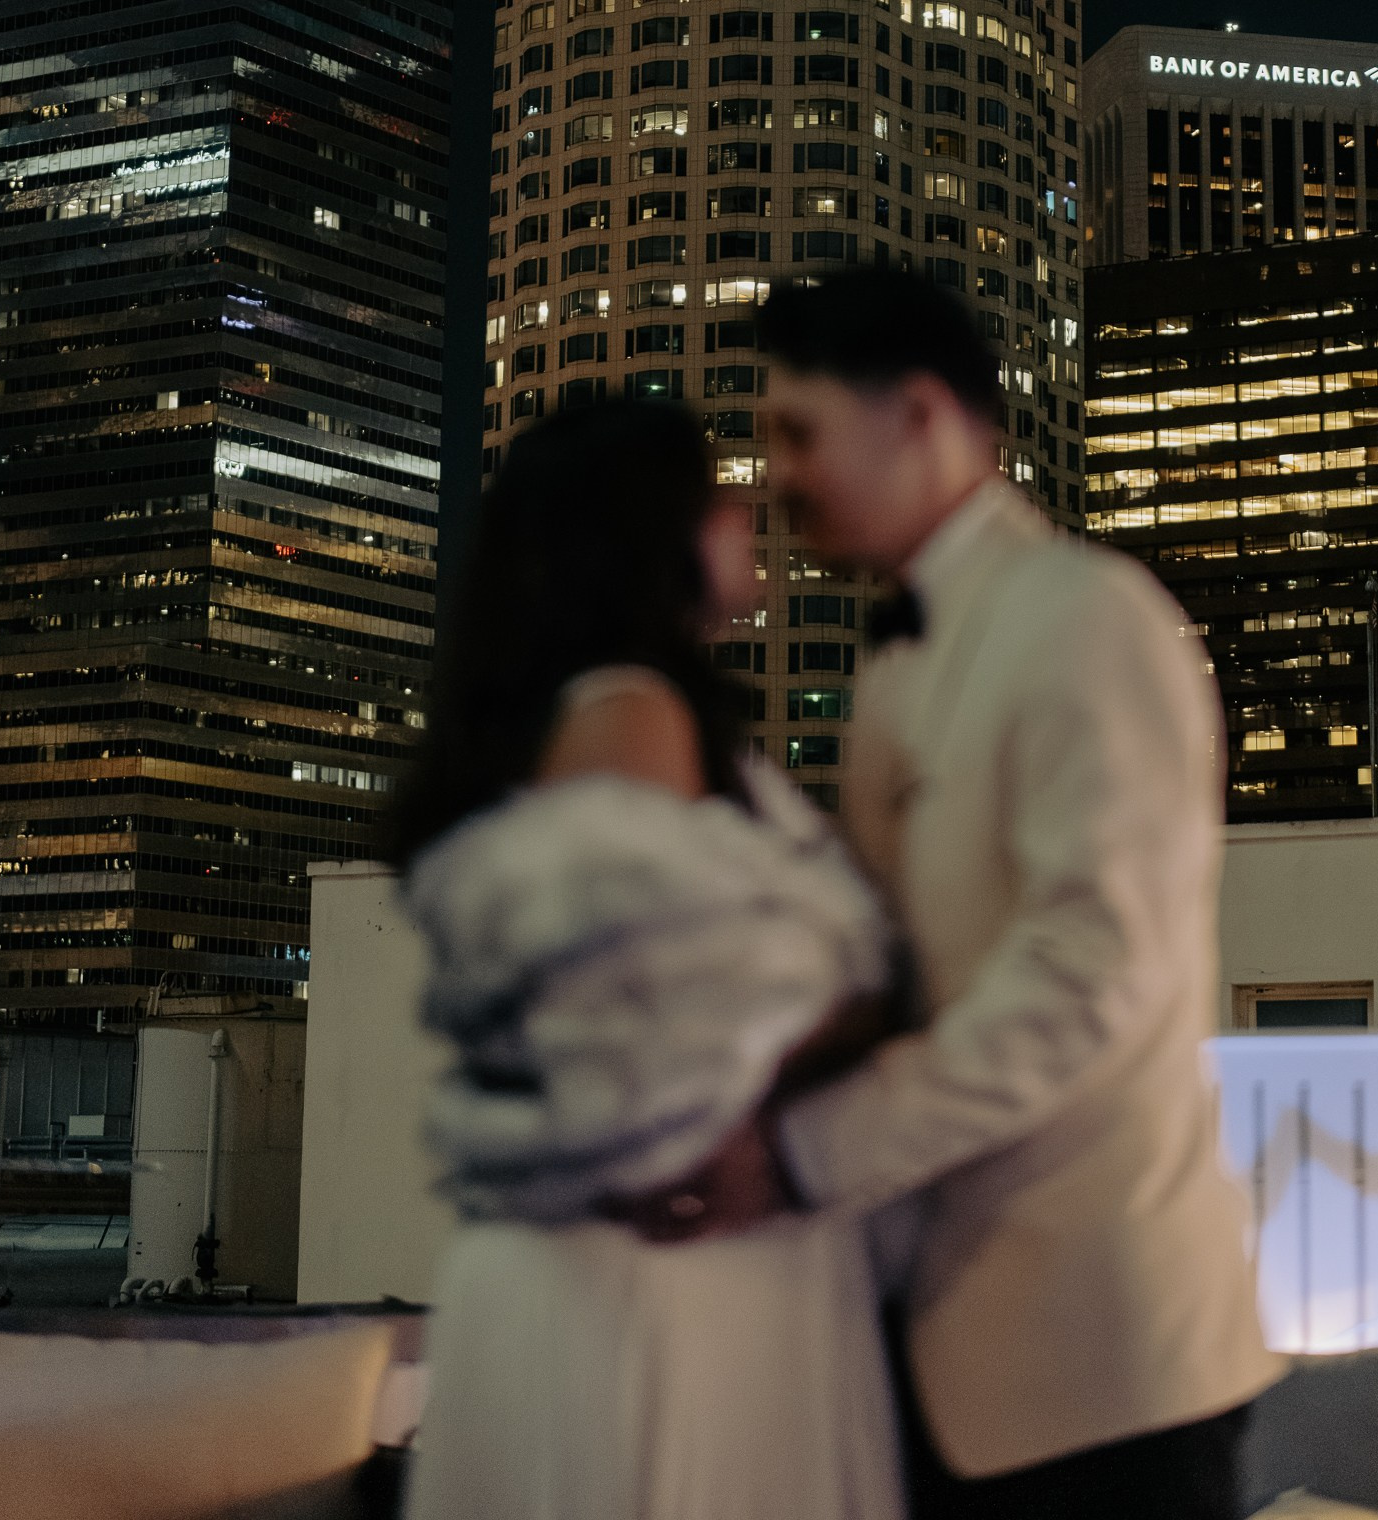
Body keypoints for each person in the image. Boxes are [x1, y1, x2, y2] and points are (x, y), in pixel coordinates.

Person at [655, 266, 1280, 1520]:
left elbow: (1087, 977)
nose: (776, 473)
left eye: (799, 432)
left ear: (923, 417)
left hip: (1102, 1362)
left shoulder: (1090, 619)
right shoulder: (892, 671)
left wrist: (801, 1150)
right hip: (930, 1344)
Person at [390, 398, 906, 1520]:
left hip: (640, 1271)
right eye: (714, 496)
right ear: (643, 531)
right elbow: (660, 1036)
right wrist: (888, 1004)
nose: (748, 511)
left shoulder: (613, 715)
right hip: (660, 1277)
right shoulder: (634, 716)